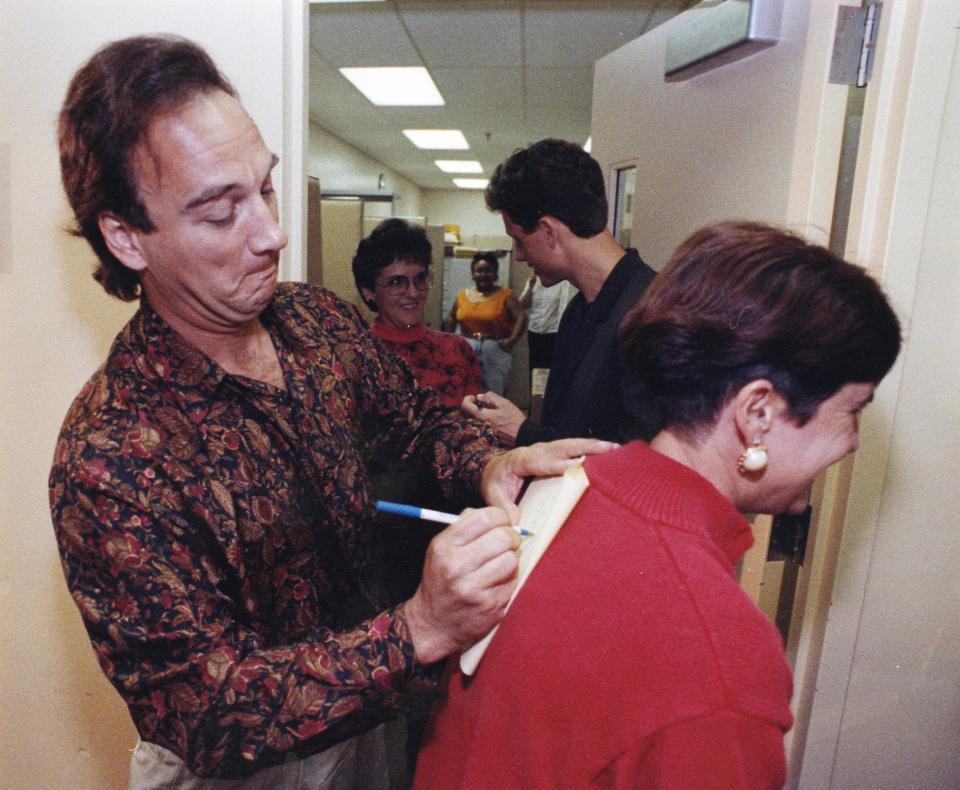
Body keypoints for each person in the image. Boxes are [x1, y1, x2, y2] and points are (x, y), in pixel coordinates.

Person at [48, 35, 612, 786]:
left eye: (266, 189)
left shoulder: (314, 322)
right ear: (127, 237)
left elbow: (419, 418)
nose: (272, 234)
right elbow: (208, 709)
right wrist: (418, 631)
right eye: (222, 213)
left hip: (371, 719)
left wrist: (490, 460)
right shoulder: (111, 452)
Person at [414, 221, 902, 788]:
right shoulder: (721, 666)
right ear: (758, 412)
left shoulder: (566, 486)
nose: (853, 442)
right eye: (854, 410)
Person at [461, 138, 659, 447]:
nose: (520, 256)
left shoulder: (654, 317)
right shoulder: (577, 314)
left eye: (519, 241)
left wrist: (524, 432)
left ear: (549, 232)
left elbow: (640, 467)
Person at [353, 218, 484, 409]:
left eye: (420, 279)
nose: (413, 292)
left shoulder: (458, 350)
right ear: (369, 291)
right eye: (397, 282)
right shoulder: (357, 357)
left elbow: (481, 428)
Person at [442, 251, 526, 396]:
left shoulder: (505, 295)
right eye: (479, 271)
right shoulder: (462, 295)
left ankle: (491, 419)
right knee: (464, 390)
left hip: (494, 348)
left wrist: (511, 340)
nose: (483, 275)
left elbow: (521, 317)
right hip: (465, 346)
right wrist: (449, 341)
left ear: (495, 274)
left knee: (493, 394)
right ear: (473, 274)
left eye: (488, 271)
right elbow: (451, 317)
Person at [518, 271, 574, 374]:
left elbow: (564, 308)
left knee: (552, 371)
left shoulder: (562, 282)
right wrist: (531, 286)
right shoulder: (533, 281)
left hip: (554, 333)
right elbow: (522, 305)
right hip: (534, 331)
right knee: (535, 370)